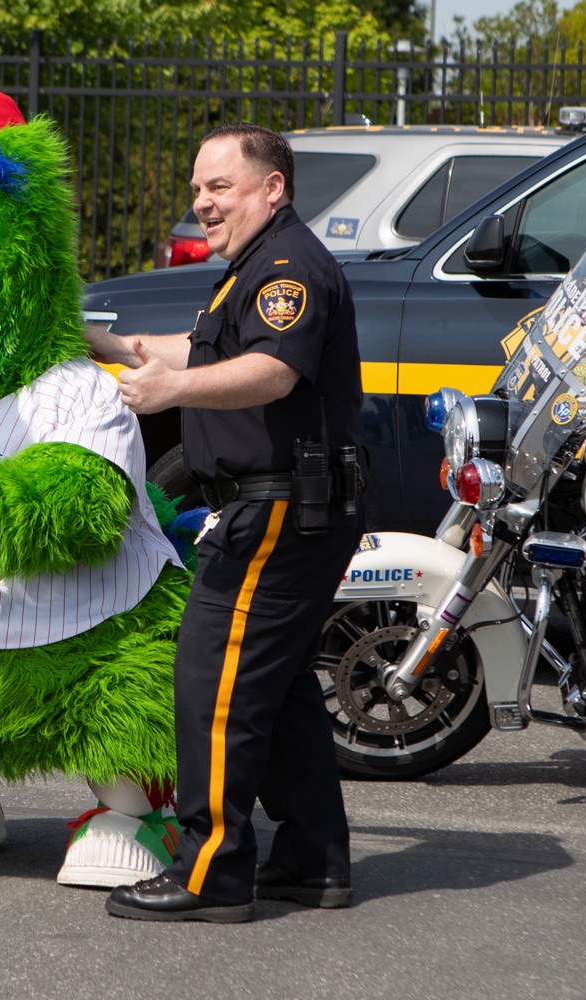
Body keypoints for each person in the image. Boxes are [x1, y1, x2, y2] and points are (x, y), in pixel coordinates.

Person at [88, 122, 364, 922]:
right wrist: (98, 342)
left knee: (215, 686)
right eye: (196, 190)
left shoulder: (287, 269)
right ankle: (312, 862)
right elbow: (199, 351)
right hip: (284, 507)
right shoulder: (255, 267)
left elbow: (272, 372)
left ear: (272, 187)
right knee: (277, 689)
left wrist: (169, 394)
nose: (202, 203)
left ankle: (210, 872)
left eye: (219, 187)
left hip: (276, 511)